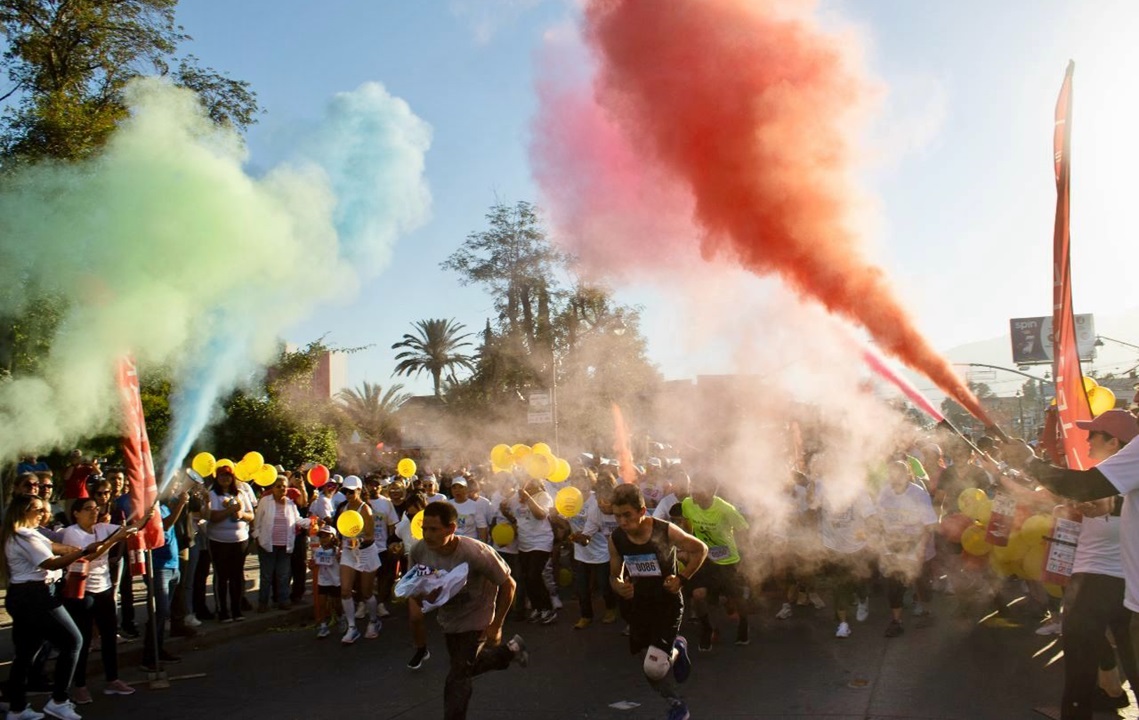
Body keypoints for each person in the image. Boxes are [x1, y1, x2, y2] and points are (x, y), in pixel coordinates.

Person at [1026, 410, 1139, 718]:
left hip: (1100, 584)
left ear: (1115, 443)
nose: (1086, 441)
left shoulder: (1131, 460)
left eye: (1093, 435)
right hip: (1127, 591)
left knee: (1079, 667)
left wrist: (1029, 462)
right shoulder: (1122, 485)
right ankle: (1112, 692)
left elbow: (1085, 486)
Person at [410, 501, 528, 720]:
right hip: (449, 619)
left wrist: (496, 625)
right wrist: (423, 596)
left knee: (457, 675)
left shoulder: (475, 552)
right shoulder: (419, 550)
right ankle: (511, 650)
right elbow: (414, 586)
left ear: (451, 528)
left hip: (478, 618)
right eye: (424, 529)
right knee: (466, 665)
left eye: (434, 529)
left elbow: (509, 585)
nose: (427, 534)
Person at [609, 483, 708, 720]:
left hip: (667, 604)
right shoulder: (616, 538)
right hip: (639, 607)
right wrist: (619, 586)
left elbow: (700, 549)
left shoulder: (665, 530)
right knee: (650, 663)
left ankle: (679, 707)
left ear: (642, 512)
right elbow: (614, 574)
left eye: (627, 515)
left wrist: (682, 579)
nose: (622, 522)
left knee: (653, 667)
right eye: (617, 516)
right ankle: (673, 690)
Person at [1, 493, 93, 720]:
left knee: (26, 653)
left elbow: (56, 547)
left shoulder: (29, 534)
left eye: (44, 509)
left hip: (27, 595)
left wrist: (99, 543)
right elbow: (50, 561)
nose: (44, 513)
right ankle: (59, 700)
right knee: (73, 641)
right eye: (38, 509)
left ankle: (17, 708)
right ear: (24, 511)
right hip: (35, 596)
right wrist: (81, 552)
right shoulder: (23, 536)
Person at [61, 498, 139, 702]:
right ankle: (79, 685)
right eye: (88, 509)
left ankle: (112, 680)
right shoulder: (72, 533)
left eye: (96, 509)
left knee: (109, 636)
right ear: (76, 513)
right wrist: (113, 540)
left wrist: (146, 514)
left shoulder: (103, 527)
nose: (94, 512)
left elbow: (132, 528)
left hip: (104, 589)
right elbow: (88, 557)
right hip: (82, 591)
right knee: (83, 640)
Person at [681, 471, 751, 650]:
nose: (692, 492)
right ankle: (706, 629)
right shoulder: (688, 504)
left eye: (696, 489)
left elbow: (744, 529)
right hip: (703, 558)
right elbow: (686, 525)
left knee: (735, 598)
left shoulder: (726, 509)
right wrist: (689, 546)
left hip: (727, 561)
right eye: (691, 488)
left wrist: (745, 556)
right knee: (698, 595)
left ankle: (744, 623)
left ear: (711, 491)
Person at [874, 460, 937, 638]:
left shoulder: (918, 494)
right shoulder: (885, 492)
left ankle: (927, 611)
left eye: (900, 473)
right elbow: (879, 518)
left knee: (921, 583)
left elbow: (929, 525)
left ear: (909, 474)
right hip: (893, 544)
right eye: (892, 473)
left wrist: (920, 551)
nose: (896, 478)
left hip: (916, 543)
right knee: (894, 585)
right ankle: (896, 621)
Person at [142, 487, 191, 671]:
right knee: (159, 612)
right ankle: (148, 658)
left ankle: (158, 649)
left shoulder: (166, 506)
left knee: (163, 613)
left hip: (172, 566)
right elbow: (166, 526)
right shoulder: (152, 509)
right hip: (158, 568)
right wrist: (181, 504)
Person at [499, 475, 556, 623]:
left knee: (534, 575)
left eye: (531, 485)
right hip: (524, 543)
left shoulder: (544, 497)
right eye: (525, 485)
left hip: (541, 541)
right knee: (526, 577)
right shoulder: (516, 498)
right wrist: (505, 511)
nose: (527, 488)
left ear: (538, 486)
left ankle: (548, 609)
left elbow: (540, 515)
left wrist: (529, 498)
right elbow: (516, 518)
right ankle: (537, 608)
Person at [334, 475, 381, 644]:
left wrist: (359, 540)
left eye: (351, 491)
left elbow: (370, 536)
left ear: (359, 491)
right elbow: (341, 531)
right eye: (345, 491)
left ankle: (374, 621)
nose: (348, 494)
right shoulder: (343, 509)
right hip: (348, 552)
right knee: (345, 590)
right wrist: (339, 543)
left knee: (366, 592)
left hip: (366, 553)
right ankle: (352, 627)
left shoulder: (365, 509)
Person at [567, 470, 617, 629]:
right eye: (575, 479)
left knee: (604, 585)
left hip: (602, 551)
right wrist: (577, 538)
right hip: (582, 552)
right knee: (582, 587)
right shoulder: (570, 499)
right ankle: (586, 616)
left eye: (582, 479)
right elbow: (586, 537)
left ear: (590, 482)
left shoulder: (598, 503)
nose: (578, 483)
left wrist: (584, 537)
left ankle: (610, 609)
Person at [206, 465, 254, 623]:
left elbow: (250, 515)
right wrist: (229, 510)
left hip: (239, 540)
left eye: (228, 475)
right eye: (222, 475)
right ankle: (223, 611)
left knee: (236, 576)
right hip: (219, 541)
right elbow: (212, 516)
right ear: (217, 478)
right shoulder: (212, 494)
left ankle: (236, 609)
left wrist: (240, 514)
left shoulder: (240, 493)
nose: (225, 478)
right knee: (222, 576)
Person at [254, 477, 308, 612]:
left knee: (283, 575)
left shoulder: (290, 503)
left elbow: (298, 520)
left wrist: (312, 522)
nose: (282, 489)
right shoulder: (265, 501)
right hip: (268, 545)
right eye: (278, 486)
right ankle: (263, 602)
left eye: (284, 486)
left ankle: (283, 601)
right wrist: (257, 537)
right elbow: (257, 521)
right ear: (272, 488)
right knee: (266, 576)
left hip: (285, 545)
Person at [313, 526, 342, 639]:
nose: (323, 539)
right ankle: (323, 626)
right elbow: (314, 564)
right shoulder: (318, 551)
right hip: (323, 581)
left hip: (335, 581)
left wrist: (339, 557)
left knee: (337, 604)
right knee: (321, 604)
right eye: (321, 537)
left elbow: (342, 563)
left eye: (326, 536)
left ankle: (341, 617)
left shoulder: (337, 551)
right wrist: (311, 565)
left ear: (333, 537)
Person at [448, 478, 488, 543]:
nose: (457, 490)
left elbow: (482, 527)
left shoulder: (475, 505)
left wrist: (483, 547)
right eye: (454, 488)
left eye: (461, 487)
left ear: (466, 489)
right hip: (452, 543)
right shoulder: (447, 504)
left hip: (470, 543)